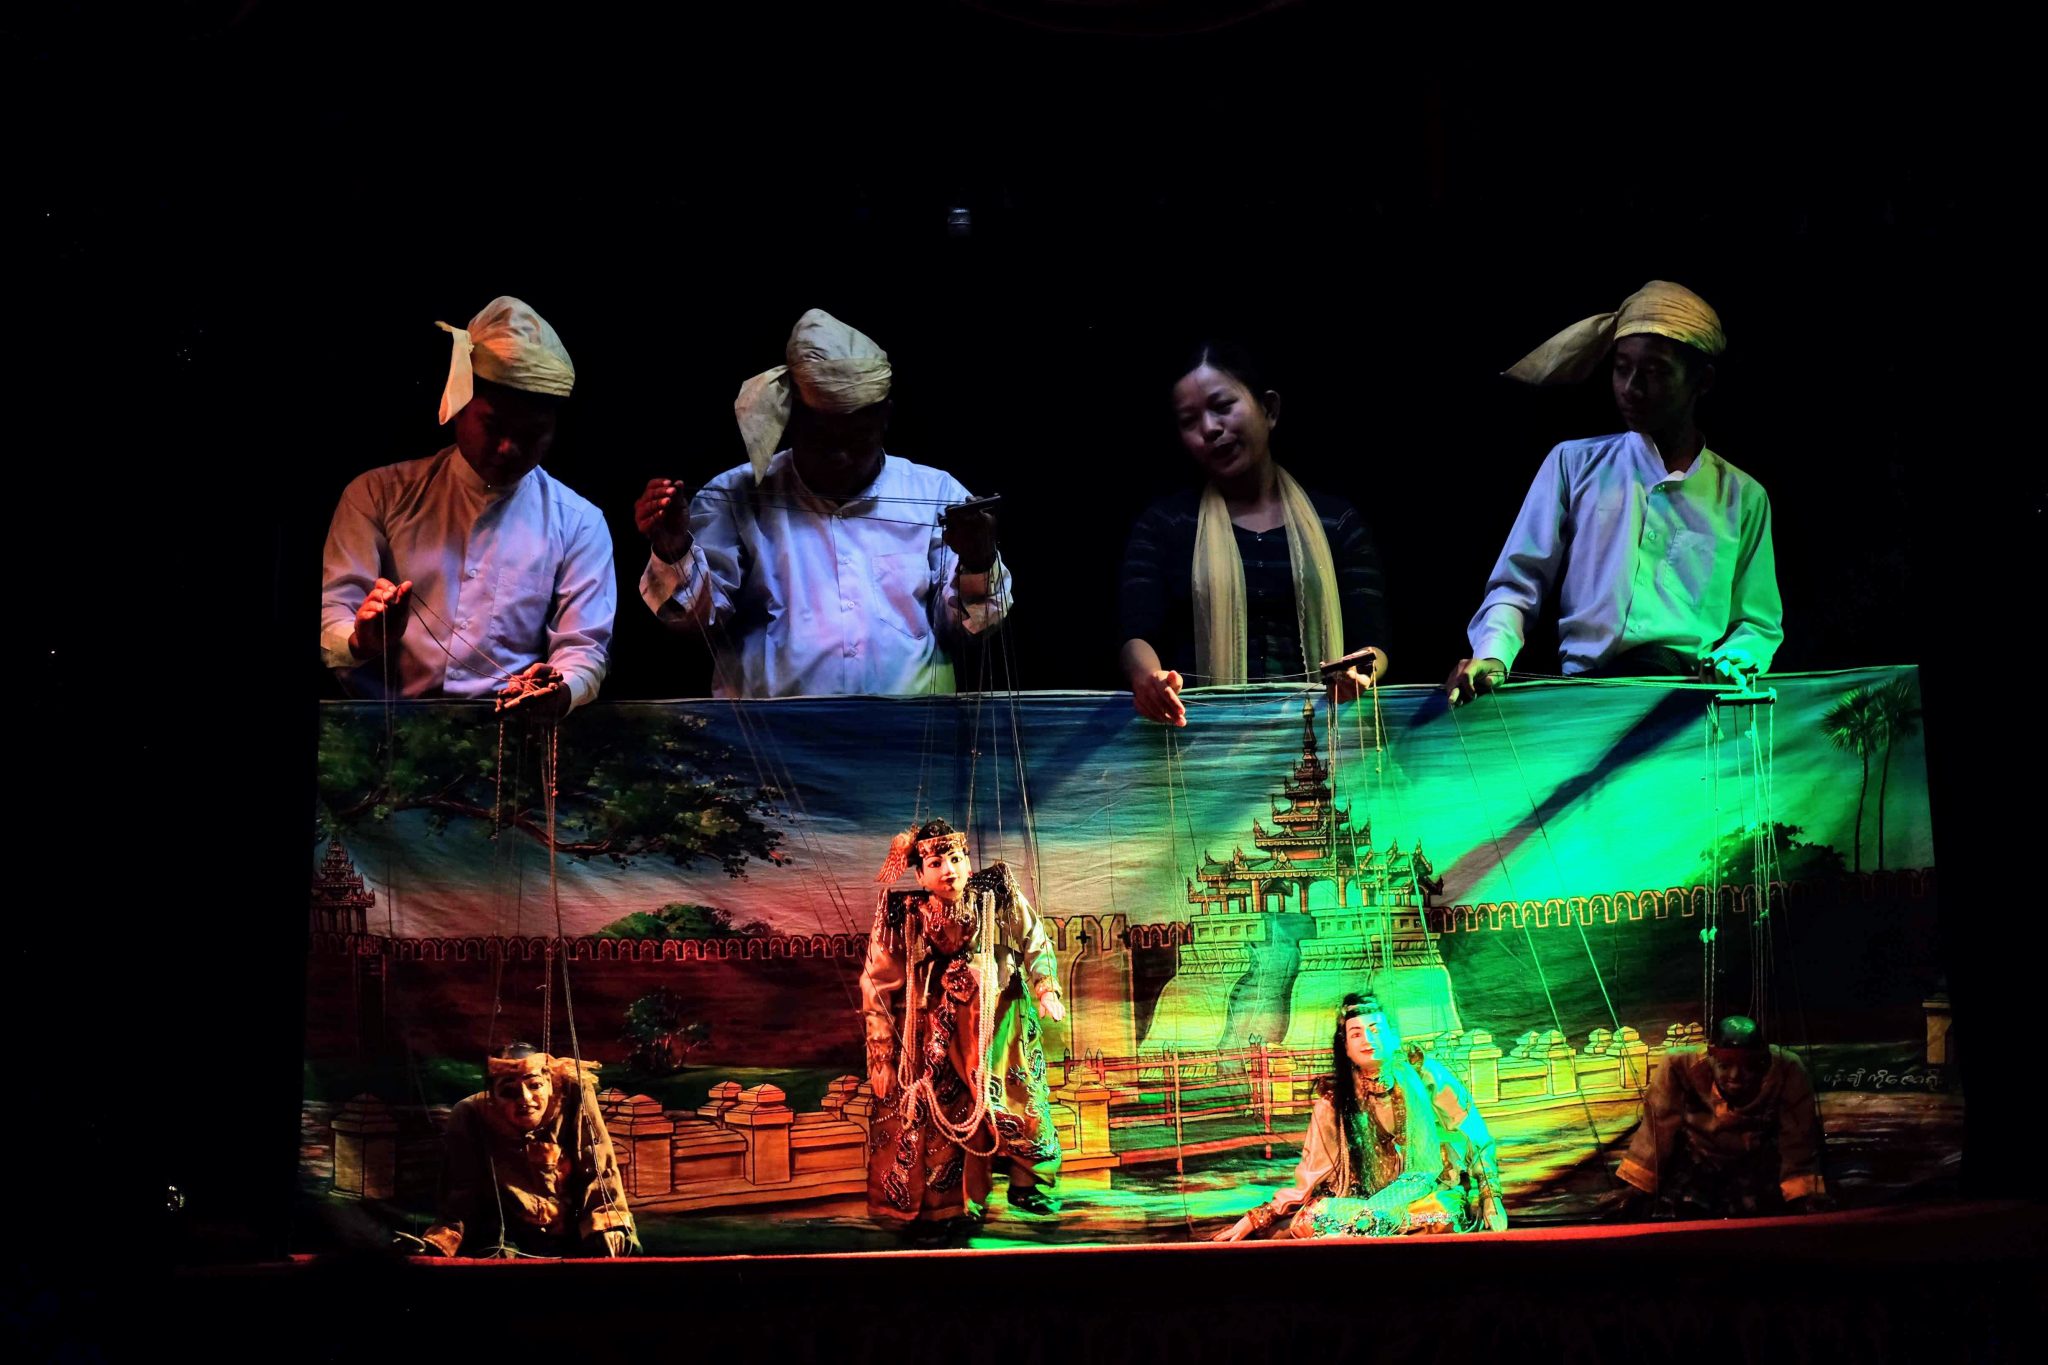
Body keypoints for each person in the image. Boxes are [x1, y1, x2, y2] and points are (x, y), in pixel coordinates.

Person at [634, 309, 1009, 697]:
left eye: (857, 440)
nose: (842, 457)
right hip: (770, 747)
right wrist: (673, 549)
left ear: (885, 419)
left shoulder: (936, 494)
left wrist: (978, 561)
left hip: (909, 744)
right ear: (790, 420)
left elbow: (971, 627)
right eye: (823, 443)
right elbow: (699, 624)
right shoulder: (734, 495)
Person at [1445, 281, 1782, 704]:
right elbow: (1517, 583)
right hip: (1584, 695)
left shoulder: (1741, 497)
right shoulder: (1573, 464)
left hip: (1684, 706)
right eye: (1622, 368)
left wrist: (1731, 661)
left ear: (1703, 381)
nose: (1631, 387)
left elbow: (1758, 623)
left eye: (1656, 372)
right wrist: (1493, 655)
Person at [320, 297, 615, 720]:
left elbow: (584, 650)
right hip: (379, 735)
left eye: (532, 434)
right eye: (494, 426)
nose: (509, 448)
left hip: (510, 738)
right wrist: (360, 640)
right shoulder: (377, 494)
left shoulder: (580, 523)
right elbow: (332, 613)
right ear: (460, 401)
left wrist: (561, 690)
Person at [1120, 341, 1390, 728]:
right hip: (1202, 741)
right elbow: (1137, 634)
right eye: (1189, 420)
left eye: (1223, 406)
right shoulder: (1166, 525)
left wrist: (1359, 673)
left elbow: (1373, 640)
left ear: (1269, 409)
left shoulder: (1338, 522)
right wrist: (1149, 680)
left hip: (1324, 732)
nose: (1210, 428)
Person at [860, 818, 1066, 1236]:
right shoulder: (902, 915)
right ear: (920, 874)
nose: (948, 869)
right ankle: (953, 1205)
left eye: (956, 858)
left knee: (1016, 1099)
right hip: (933, 1030)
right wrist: (881, 1053)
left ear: (969, 863)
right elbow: (876, 983)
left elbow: (1036, 941)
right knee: (941, 1114)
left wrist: (1046, 988)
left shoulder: (999, 897)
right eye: (935, 862)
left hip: (998, 1020)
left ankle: (1030, 1183)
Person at [1213, 993, 1506, 1240]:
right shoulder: (1333, 1101)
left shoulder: (1424, 1074)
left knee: (1445, 1214)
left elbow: (1475, 1137)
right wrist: (1257, 1219)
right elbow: (1308, 1177)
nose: (1367, 1039)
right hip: (1358, 1202)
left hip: (1423, 1195)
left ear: (1392, 1037)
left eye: (1376, 1030)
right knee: (1316, 1216)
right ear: (1346, 1047)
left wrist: (1490, 1196)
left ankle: (1362, 1231)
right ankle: (1367, 1228)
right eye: (1357, 1033)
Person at [418, 1043, 637, 1257]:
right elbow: (461, 1189)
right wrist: (444, 1239)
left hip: (569, 1233)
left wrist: (608, 1225)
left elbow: (598, 1164)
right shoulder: (471, 1114)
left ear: (550, 1084)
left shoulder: (572, 1101)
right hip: (506, 1237)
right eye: (509, 1091)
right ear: (492, 1096)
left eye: (535, 1086)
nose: (525, 1099)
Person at [1613, 1014, 1827, 1218]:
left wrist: (1804, 1193)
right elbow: (1658, 1128)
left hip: (1758, 1166)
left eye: (1748, 1068)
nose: (1736, 1076)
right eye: (1725, 1066)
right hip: (1698, 1165)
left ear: (1762, 1061)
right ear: (1710, 1056)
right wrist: (1638, 1184)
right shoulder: (1679, 1065)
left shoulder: (1787, 1068)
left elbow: (1798, 1140)